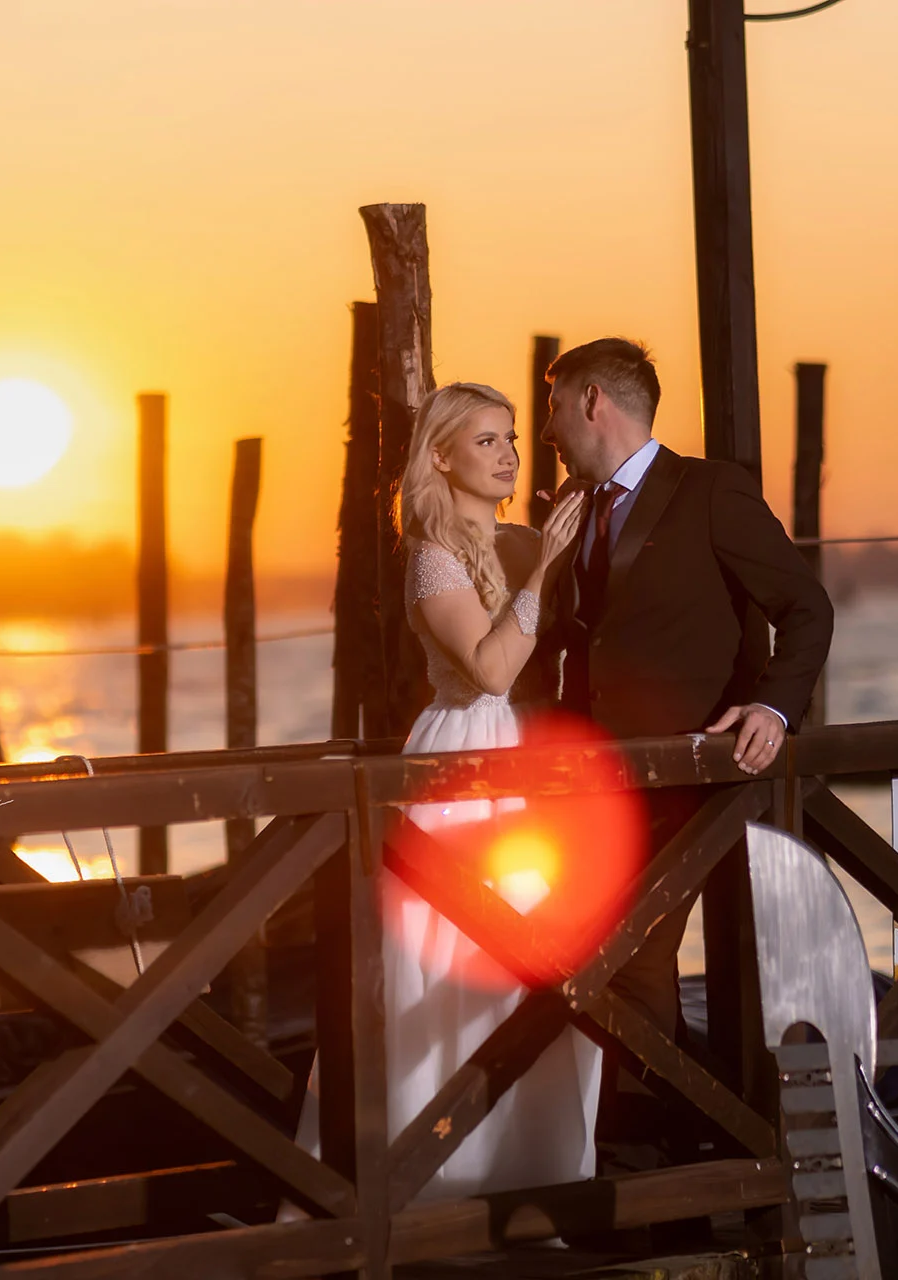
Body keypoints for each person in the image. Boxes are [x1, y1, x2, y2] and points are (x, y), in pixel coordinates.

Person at [293, 381, 595, 1201]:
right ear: (441, 456)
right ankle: (430, 1184)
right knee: (457, 959)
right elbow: (491, 670)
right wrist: (547, 569)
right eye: (487, 440)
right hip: (467, 758)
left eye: (512, 438)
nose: (509, 454)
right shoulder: (433, 556)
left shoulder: (530, 540)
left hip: (538, 765)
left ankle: (533, 1179)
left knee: (541, 960)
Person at [539, 337, 834, 1042]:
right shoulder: (574, 507)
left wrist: (774, 706)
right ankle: (627, 1104)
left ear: (593, 401)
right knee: (579, 955)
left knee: (633, 956)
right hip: (589, 785)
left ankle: (651, 1107)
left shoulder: (709, 491)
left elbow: (806, 607)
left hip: (689, 783)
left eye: (555, 406)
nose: (547, 430)